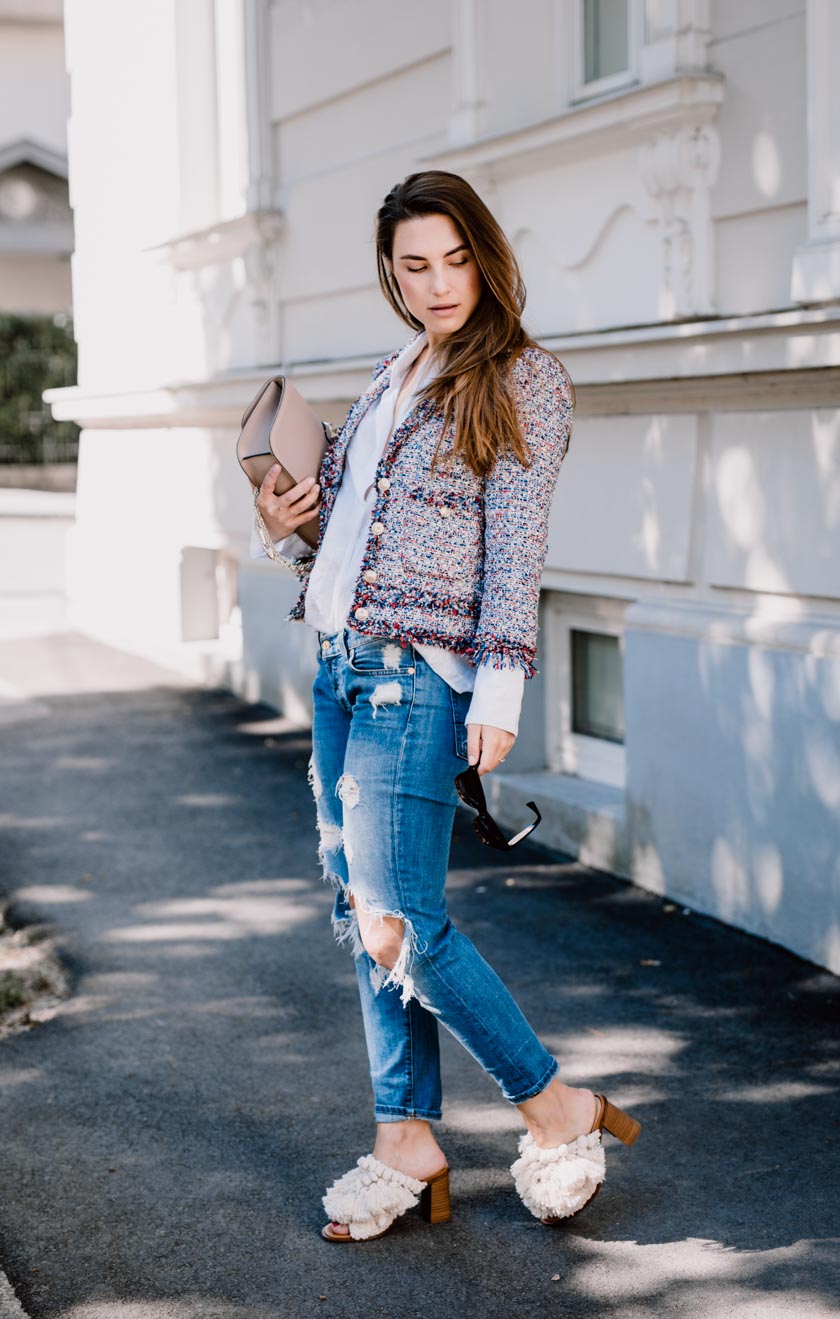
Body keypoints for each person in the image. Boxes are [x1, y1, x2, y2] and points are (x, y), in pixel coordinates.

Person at [250, 170, 641, 1241]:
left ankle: (554, 1106)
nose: (437, 284)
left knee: (400, 924)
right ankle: (405, 1136)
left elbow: (513, 547)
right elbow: (349, 540)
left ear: (486, 254)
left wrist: (501, 685)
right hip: (339, 666)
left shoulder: (523, 378)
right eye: (414, 265)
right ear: (390, 270)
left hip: (415, 678)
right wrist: (290, 519)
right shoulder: (394, 373)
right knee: (362, 916)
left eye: (454, 259)